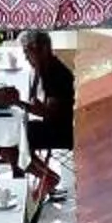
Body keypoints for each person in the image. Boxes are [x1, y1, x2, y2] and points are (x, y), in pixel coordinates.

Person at [22, 31, 75, 201]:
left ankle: (48, 178)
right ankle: (46, 177)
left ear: (43, 50)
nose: (26, 58)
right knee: (16, 136)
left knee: (13, 142)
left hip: (63, 132)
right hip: (57, 125)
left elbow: (49, 113)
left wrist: (18, 103)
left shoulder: (56, 75)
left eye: (28, 52)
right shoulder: (47, 68)